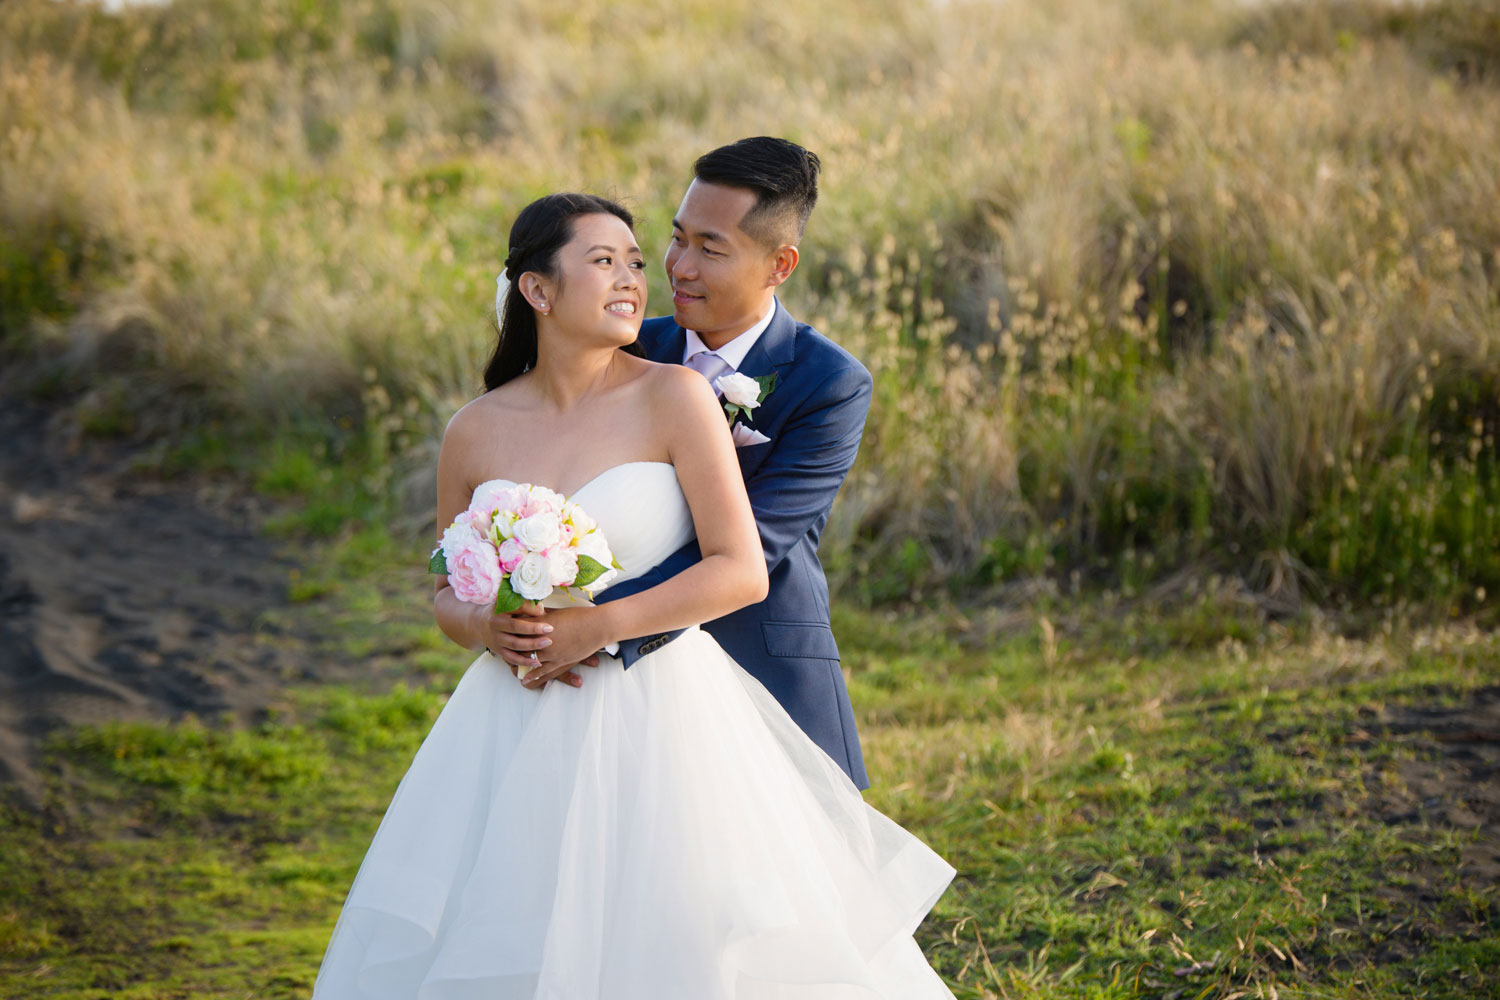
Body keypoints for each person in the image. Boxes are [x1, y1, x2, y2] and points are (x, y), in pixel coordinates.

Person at [312, 193, 956, 998]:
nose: (634, 279)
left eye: (636, 263)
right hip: (513, 718)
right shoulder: (473, 429)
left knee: (683, 934)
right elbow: (447, 590)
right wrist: (485, 625)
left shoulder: (676, 396)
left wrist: (596, 627)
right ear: (538, 292)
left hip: (665, 711)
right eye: (603, 261)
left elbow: (741, 567)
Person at [486, 137, 873, 790]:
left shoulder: (829, 382)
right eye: (676, 238)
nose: (678, 268)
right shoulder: (626, 344)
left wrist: (594, 624)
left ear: (780, 265)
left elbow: (760, 542)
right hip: (607, 687)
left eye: (710, 249)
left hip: (757, 658)